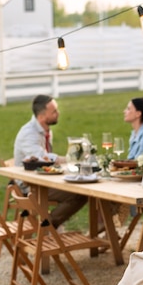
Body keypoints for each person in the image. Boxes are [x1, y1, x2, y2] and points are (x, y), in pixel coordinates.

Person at [13, 95, 87, 228]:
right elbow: (44, 159)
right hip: (30, 185)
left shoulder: (43, 129)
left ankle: (49, 226)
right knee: (79, 194)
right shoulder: (29, 134)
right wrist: (71, 159)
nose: (58, 113)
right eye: (54, 112)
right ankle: (48, 226)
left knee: (80, 186)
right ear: (41, 117)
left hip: (42, 179)